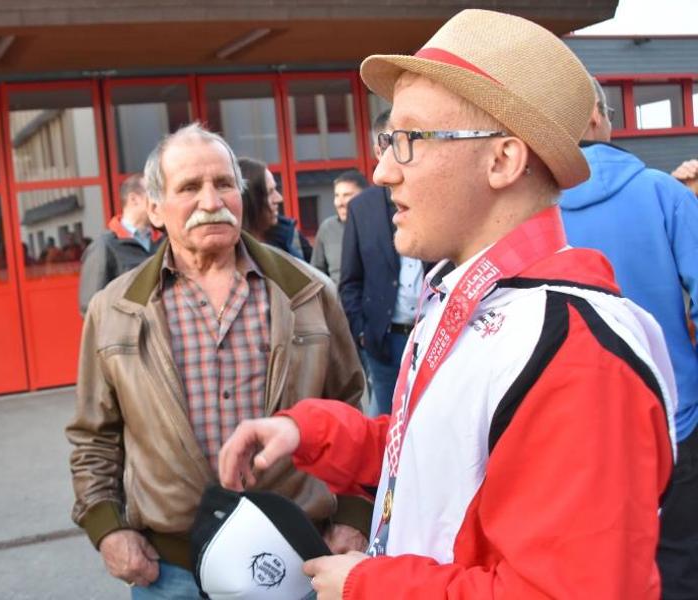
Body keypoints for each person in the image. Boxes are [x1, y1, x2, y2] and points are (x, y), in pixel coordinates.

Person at [218, 9, 676, 599]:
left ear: (503, 160)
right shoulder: (477, 301)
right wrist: (307, 432)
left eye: (407, 140)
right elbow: (436, 457)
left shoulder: (574, 351)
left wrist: (369, 586)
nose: (382, 171)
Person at [67, 123, 369, 598]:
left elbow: (350, 412)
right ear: (154, 208)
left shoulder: (307, 292)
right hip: (169, 571)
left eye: (224, 184)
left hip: (294, 559)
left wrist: (354, 515)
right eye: (190, 187)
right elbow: (93, 437)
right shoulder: (116, 309)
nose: (211, 201)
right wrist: (106, 528)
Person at [561, 76, 698, 600]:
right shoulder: (663, 193)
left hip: (572, 428)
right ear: (597, 117)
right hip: (673, 416)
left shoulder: (526, 207)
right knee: (679, 560)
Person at [339, 111, 429, 416]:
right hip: (383, 340)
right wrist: (363, 332)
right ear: (379, 151)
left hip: (432, 334)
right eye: (391, 145)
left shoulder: (432, 197)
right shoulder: (361, 209)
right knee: (387, 423)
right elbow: (350, 280)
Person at [78, 174, 162, 315]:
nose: (160, 201)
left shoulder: (164, 241)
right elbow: (91, 307)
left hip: (164, 332)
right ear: (134, 199)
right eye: (153, 194)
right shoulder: (104, 246)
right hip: (129, 334)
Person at [238, 156, 307, 260]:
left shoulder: (288, 236)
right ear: (251, 200)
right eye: (269, 193)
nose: (279, 198)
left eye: (275, 189)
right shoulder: (233, 258)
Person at [311, 169, 367, 283]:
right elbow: (316, 273)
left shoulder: (380, 225)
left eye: (347, 195)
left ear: (365, 196)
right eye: (337, 195)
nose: (339, 203)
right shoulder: (327, 228)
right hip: (338, 299)